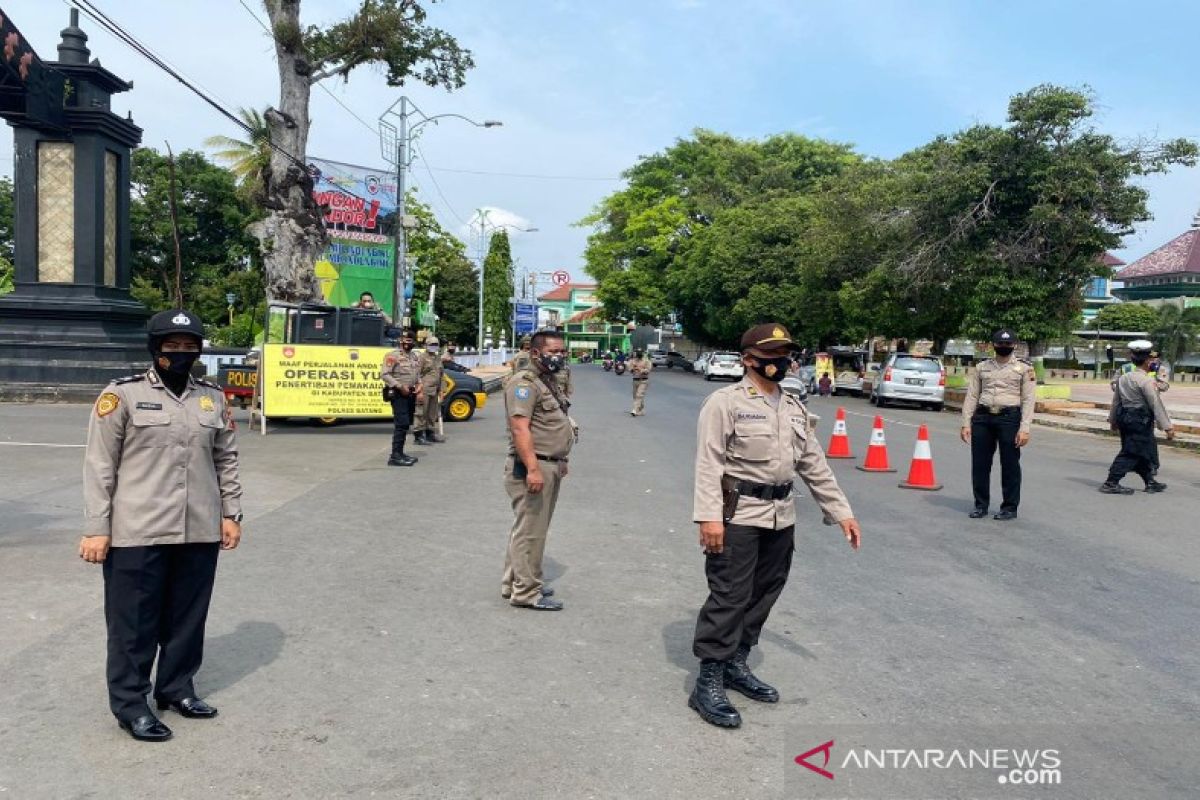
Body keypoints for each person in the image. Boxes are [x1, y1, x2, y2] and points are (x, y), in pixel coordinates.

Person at [80, 309, 243, 742]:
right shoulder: (122, 396)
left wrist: (231, 514)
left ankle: (176, 689)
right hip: (137, 529)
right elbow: (100, 466)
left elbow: (226, 458)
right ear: (155, 349)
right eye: (173, 346)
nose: (182, 353)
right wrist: (97, 527)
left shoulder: (212, 397)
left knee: (188, 617)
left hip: (199, 527)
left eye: (191, 346)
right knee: (134, 624)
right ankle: (132, 704)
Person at [690, 323, 861, 729]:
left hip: (781, 516)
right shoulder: (725, 403)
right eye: (771, 356)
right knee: (730, 594)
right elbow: (708, 463)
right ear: (749, 360)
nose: (781, 362)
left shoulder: (794, 406)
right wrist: (709, 517)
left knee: (765, 592)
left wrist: (841, 511)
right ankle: (708, 679)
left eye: (785, 355)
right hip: (739, 515)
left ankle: (736, 661)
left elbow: (812, 464)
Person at [502, 330, 575, 610]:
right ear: (535, 353)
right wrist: (533, 468)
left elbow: (554, 423)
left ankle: (515, 583)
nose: (558, 356)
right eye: (553, 351)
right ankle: (526, 592)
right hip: (534, 465)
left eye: (561, 352)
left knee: (527, 528)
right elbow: (520, 428)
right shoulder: (524, 383)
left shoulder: (547, 381)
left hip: (549, 462)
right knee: (531, 532)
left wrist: (562, 458)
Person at [960, 329, 1036, 521]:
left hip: (1009, 418)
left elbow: (1028, 400)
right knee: (980, 464)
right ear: (993, 345)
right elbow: (972, 395)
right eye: (1000, 344)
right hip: (983, 417)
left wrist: (1025, 428)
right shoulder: (982, 367)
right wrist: (965, 423)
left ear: (1014, 345)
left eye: (1007, 344)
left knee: (1010, 464)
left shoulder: (1024, 369)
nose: (1004, 347)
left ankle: (1009, 507)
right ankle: (980, 505)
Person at [1101, 340, 1175, 494]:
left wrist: (1113, 420)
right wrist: (1167, 427)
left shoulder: (1124, 377)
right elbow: (1156, 404)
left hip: (1125, 418)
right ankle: (1111, 482)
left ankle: (1150, 481)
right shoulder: (1146, 381)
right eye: (1151, 359)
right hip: (1139, 420)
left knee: (1143, 451)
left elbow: (1116, 401)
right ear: (1148, 361)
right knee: (1131, 452)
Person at [380, 331, 422, 466]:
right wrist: (399, 386)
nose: (407, 343)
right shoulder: (393, 356)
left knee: (406, 424)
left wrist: (419, 384)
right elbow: (385, 375)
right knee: (401, 424)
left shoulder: (414, 356)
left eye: (410, 340)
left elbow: (417, 374)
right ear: (400, 341)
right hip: (398, 394)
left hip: (410, 393)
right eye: (405, 340)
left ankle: (400, 452)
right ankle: (395, 456)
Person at [413, 336, 445, 445]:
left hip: (435, 390)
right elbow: (417, 374)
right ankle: (418, 435)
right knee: (421, 413)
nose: (434, 347)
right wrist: (419, 389)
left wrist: (442, 390)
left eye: (436, 344)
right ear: (426, 345)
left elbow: (441, 375)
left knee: (432, 414)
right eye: (431, 344)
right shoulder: (422, 358)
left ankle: (429, 433)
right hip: (424, 389)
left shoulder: (438, 358)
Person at [629, 348, 652, 416]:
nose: (638, 354)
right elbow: (629, 368)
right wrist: (632, 369)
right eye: (637, 352)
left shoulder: (646, 361)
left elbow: (648, 370)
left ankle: (635, 410)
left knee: (639, 395)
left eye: (640, 352)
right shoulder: (633, 361)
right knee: (635, 396)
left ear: (642, 353)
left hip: (643, 380)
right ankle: (641, 409)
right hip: (635, 380)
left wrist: (641, 370)